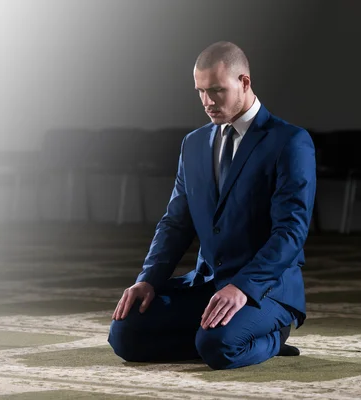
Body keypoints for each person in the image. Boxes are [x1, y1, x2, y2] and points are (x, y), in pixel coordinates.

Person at [108, 41, 316, 370]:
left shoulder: (289, 141)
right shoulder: (193, 144)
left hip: (266, 290)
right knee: (124, 334)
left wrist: (244, 287)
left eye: (217, 90)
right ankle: (213, 336)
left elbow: (290, 232)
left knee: (219, 348)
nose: (207, 102)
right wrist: (148, 279)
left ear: (244, 82)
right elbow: (175, 224)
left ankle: (274, 336)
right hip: (207, 285)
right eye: (201, 91)